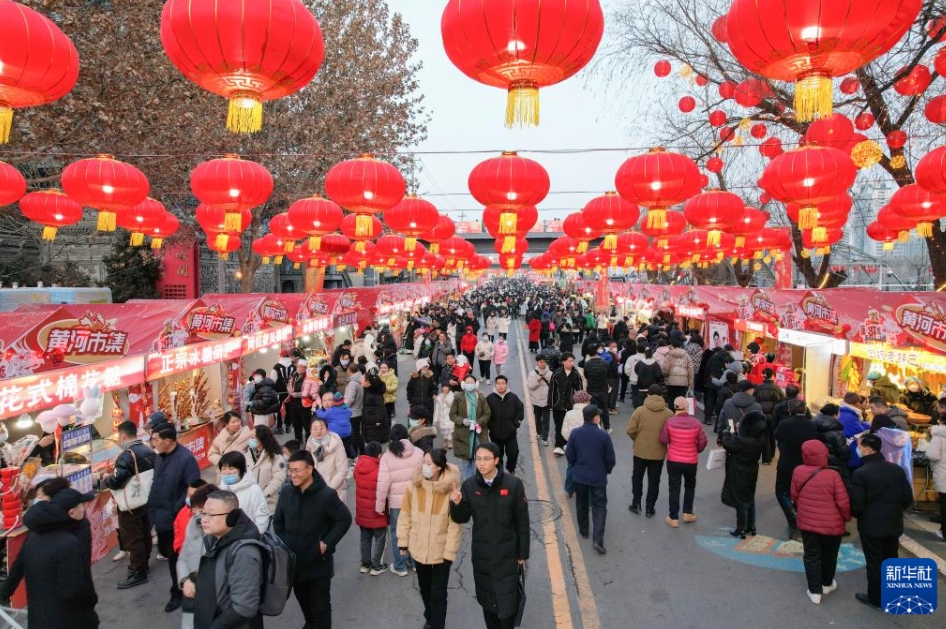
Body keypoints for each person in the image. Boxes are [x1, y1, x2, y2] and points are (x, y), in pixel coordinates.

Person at [450, 443, 530, 629]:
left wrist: (522, 554)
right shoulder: (469, 486)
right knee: (489, 605)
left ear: (496, 460)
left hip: (508, 555)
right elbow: (461, 518)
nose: (481, 463)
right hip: (482, 556)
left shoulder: (513, 485)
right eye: (478, 459)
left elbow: (522, 522)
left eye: (486, 459)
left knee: (508, 606)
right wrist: (456, 504)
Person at [275, 450, 352, 629]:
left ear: (310, 469)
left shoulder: (326, 495)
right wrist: (284, 543)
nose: (292, 474)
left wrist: (326, 543)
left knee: (321, 609)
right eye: (290, 470)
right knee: (307, 609)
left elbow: (344, 519)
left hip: (318, 564)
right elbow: (278, 522)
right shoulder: (286, 492)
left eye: (296, 470)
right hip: (294, 564)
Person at [0, 488, 98, 629]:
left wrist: (4, 593)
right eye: (81, 505)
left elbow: (17, 567)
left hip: (38, 619)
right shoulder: (68, 542)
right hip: (68, 620)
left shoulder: (34, 534)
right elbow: (73, 590)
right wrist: (91, 603)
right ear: (71, 512)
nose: (85, 507)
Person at [398, 448, 463, 629]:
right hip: (419, 549)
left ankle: (436, 624)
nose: (425, 467)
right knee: (425, 589)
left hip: (442, 552)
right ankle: (430, 615)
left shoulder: (451, 490)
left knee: (439, 594)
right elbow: (405, 515)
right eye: (424, 462)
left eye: (429, 464)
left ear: (440, 468)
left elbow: (455, 525)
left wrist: (450, 552)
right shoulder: (414, 486)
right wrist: (403, 542)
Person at [850, 433, 914, 609]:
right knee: (891, 558)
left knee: (874, 561)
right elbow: (907, 497)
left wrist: (861, 515)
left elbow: (857, 505)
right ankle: (892, 593)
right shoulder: (896, 470)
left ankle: (876, 598)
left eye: (860, 446)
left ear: (865, 448)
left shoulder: (861, 473)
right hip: (893, 522)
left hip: (871, 525)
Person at [190, 490, 264, 629]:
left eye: (211, 514)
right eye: (203, 513)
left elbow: (245, 607)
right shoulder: (215, 538)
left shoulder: (244, 553)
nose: (204, 519)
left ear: (231, 517)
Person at [791, 440, 852, 605]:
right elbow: (843, 502)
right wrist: (847, 517)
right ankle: (827, 583)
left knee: (811, 556)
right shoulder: (833, 475)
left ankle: (814, 591)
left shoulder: (798, 471)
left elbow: (794, 495)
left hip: (808, 523)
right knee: (830, 555)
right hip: (832, 524)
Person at [149, 422, 201, 613]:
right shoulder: (159, 457)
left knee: (176, 556)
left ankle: (178, 590)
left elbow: (193, 488)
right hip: (161, 516)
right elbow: (156, 484)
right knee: (166, 551)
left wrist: (175, 510)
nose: (152, 443)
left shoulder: (186, 459)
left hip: (177, 518)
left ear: (168, 441)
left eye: (155, 439)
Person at [100, 420, 156, 589]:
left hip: (131, 503)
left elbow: (117, 481)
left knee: (133, 537)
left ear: (123, 435)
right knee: (144, 532)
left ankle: (138, 571)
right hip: (146, 498)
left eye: (119, 436)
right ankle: (143, 564)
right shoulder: (148, 448)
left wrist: (106, 478)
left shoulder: (126, 455)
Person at [566, 404, 616, 554]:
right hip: (598, 477)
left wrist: (576, 467)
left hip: (580, 476)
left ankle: (584, 531)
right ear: (596, 418)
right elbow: (610, 458)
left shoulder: (575, 433)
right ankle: (598, 539)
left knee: (581, 503)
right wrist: (606, 470)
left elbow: (570, 454)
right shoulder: (603, 435)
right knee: (599, 507)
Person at [376, 424, 425, 576]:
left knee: (399, 533)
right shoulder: (418, 452)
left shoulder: (387, 457)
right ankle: (416, 563)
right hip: (417, 500)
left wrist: (379, 506)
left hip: (397, 504)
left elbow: (383, 483)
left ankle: (400, 565)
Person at [773, 399, 819, 540]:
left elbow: (776, 436)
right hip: (805, 465)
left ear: (789, 410)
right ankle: (799, 517)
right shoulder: (812, 425)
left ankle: (793, 521)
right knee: (800, 493)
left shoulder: (785, 424)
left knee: (782, 492)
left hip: (786, 464)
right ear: (805, 410)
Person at [659, 397, 708, 529]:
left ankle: (673, 518)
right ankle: (687, 513)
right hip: (691, 461)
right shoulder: (696, 423)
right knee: (690, 486)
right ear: (687, 407)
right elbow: (703, 441)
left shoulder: (669, 422)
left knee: (674, 488)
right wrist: (696, 450)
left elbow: (663, 439)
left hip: (674, 461)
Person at [626, 384, 673, 518]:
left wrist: (637, 439)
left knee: (637, 478)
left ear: (648, 394)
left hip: (640, 451)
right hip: (658, 453)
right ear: (661, 396)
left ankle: (636, 504)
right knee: (654, 481)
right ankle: (649, 508)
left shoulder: (640, 411)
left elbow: (630, 430)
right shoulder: (669, 413)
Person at [720, 410, 767, 538]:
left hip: (738, 472)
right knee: (749, 498)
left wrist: (727, 432)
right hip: (752, 471)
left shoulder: (741, 441)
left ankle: (741, 528)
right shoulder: (760, 439)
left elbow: (728, 444)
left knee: (740, 501)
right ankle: (751, 526)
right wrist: (738, 431)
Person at [175, 484, 217, 629]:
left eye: (202, 512)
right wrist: (185, 580)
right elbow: (182, 558)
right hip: (194, 596)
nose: (199, 518)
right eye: (195, 513)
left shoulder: (225, 532)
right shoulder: (193, 524)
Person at [354, 442, 389, 575]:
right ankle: (376, 565)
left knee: (365, 537)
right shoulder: (380, 469)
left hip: (362, 511)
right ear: (379, 455)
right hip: (377, 511)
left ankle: (365, 563)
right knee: (380, 538)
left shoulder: (358, 466)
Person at [217, 451, 270, 534]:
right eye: (223, 469)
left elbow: (262, 519)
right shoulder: (220, 491)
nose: (227, 472)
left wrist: (253, 537)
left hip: (247, 539)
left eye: (231, 468)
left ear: (241, 469)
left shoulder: (253, 490)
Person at [450, 374, 492, 479]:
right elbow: (452, 415)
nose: (469, 384)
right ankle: (467, 484)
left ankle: (479, 482)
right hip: (463, 433)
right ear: (463, 384)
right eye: (467, 382)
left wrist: (479, 422)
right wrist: (463, 421)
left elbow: (487, 413)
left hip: (479, 433)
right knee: (466, 460)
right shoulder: (458, 398)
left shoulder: (481, 398)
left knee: (479, 458)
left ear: (476, 384)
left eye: (471, 382)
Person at [486, 375, 525, 474]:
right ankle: (500, 472)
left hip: (510, 433)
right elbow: (485, 413)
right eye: (498, 383)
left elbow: (520, 409)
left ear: (506, 384)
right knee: (497, 455)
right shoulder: (490, 398)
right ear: (495, 384)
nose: (500, 386)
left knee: (513, 453)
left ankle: (510, 467)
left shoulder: (513, 397)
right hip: (495, 434)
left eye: (503, 383)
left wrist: (516, 423)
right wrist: (490, 426)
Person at [305, 416, 349, 502]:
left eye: (322, 428)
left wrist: (328, 489)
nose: (318, 431)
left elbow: (343, 470)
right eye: (315, 428)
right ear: (310, 431)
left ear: (327, 429)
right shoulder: (310, 444)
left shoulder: (336, 443)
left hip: (334, 492)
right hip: (315, 492)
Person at [549, 353, 584, 456]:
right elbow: (552, 390)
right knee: (559, 425)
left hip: (570, 406)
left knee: (570, 425)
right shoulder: (556, 373)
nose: (571, 363)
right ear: (563, 362)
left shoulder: (576, 374)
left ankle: (567, 443)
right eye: (569, 361)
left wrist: (580, 405)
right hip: (558, 405)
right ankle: (558, 445)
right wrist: (551, 405)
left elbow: (580, 391)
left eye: (572, 361)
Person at [812, 404, 852, 483]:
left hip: (816, 465)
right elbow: (846, 454)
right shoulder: (836, 434)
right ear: (835, 415)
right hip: (835, 468)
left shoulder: (813, 425)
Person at [869, 414, 914, 484]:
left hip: (884, 473)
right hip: (904, 471)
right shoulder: (905, 436)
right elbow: (909, 454)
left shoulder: (877, 437)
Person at [753, 368, 785, 463]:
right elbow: (782, 401)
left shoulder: (759, 387)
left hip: (761, 415)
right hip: (773, 415)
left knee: (763, 435)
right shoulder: (777, 388)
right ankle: (771, 454)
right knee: (772, 435)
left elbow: (755, 400)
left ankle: (765, 457)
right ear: (772, 375)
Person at [923, 414, 946, 539]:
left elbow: (933, 455)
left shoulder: (939, 435)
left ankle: (944, 532)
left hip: (943, 473)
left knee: (944, 503)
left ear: (942, 421)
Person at [583, 344, 613, 432]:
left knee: (593, 409)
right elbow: (608, 374)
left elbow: (586, 375)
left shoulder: (587, 364)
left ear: (588, 354)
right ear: (596, 351)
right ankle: (607, 427)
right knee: (604, 409)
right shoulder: (605, 363)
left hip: (591, 389)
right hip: (603, 389)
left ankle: (596, 426)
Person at [362, 369, 392, 446]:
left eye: (362, 380)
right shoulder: (368, 390)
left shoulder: (374, 393)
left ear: (368, 382)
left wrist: (378, 421)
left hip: (375, 424)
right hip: (371, 423)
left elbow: (380, 408)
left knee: (375, 446)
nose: (360, 381)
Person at [527, 356, 552, 447]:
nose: (542, 363)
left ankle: (544, 438)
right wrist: (537, 381)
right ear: (537, 362)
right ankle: (539, 431)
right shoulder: (532, 374)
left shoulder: (550, 374)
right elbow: (530, 386)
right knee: (537, 417)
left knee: (546, 419)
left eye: (544, 362)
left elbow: (554, 387)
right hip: (536, 400)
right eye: (540, 362)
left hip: (546, 401)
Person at [662, 339, 694, 404]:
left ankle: (672, 412)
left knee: (671, 399)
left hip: (671, 382)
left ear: (672, 345)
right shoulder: (687, 356)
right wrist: (690, 383)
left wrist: (665, 376)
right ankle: (679, 413)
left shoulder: (669, 355)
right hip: (683, 383)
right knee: (681, 400)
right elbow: (690, 370)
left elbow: (665, 369)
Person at [344, 364, 366, 454]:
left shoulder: (353, 383)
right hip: (359, 410)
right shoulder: (360, 379)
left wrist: (343, 406)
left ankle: (357, 453)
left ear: (349, 370)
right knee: (357, 434)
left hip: (353, 412)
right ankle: (362, 452)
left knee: (355, 435)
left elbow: (349, 399)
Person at [434, 383, 456, 450]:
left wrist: (445, 399)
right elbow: (437, 409)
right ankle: (445, 440)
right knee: (444, 431)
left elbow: (451, 405)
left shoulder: (452, 396)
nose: (444, 389)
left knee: (449, 430)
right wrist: (435, 419)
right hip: (442, 417)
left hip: (449, 416)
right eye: (443, 387)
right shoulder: (440, 397)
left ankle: (450, 442)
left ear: (449, 388)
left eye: (446, 387)